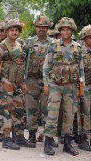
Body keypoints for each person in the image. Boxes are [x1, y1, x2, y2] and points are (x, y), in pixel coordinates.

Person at [0, 18, 35, 150]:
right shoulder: (1, 47)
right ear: (7, 32)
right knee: (7, 110)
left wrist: (23, 83)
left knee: (19, 110)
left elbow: (21, 66)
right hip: (6, 83)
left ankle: (20, 137)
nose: (14, 32)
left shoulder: (20, 45)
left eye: (16, 30)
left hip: (17, 83)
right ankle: (6, 138)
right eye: (12, 30)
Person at [43, 17, 84, 155]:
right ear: (60, 31)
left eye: (68, 29)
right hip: (55, 85)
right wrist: (46, 84)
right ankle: (48, 142)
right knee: (53, 114)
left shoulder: (78, 47)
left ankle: (67, 143)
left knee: (69, 115)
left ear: (72, 31)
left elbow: (81, 69)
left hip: (71, 86)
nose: (66, 32)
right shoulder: (53, 45)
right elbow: (46, 66)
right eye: (64, 29)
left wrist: (81, 87)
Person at [23, 15, 57, 146]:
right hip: (31, 80)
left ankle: (49, 137)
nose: (41, 29)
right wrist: (23, 81)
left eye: (44, 27)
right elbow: (23, 61)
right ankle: (32, 135)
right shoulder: (29, 42)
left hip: (47, 81)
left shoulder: (53, 43)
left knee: (47, 110)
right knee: (31, 109)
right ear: (36, 28)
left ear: (48, 28)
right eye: (39, 27)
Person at [76, 24, 91, 150]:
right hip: (84, 86)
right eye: (89, 37)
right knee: (85, 112)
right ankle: (83, 138)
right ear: (85, 38)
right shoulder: (80, 51)